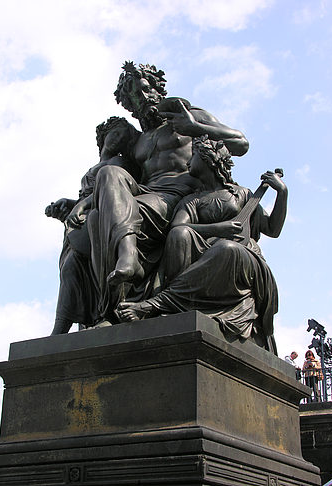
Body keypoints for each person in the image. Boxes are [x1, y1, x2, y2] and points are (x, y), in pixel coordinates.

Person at [82, 62, 249, 324]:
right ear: (129, 104)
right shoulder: (137, 140)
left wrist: (196, 128)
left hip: (180, 197)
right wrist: (79, 203)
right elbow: (114, 183)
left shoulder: (187, 116)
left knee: (105, 213)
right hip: (146, 194)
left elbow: (240, 143)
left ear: (159, 89)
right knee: (99, 202)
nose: (143, 97)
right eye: (135, 95)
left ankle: (127, 268)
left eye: (147, 89)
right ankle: (112, 305)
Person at [116, 135, 288, 353]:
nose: (188, 162)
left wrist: (282, 193)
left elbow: (273, 229)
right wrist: (219, 229)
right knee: (180, 234)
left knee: (227, 249)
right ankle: (180, 307)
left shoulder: (242, 194)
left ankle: (157, 303)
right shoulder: (192, 201)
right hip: (206, 259)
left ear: (209, 158)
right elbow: (177, 229)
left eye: (193, 156)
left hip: (243, 263)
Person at [45, 117, 141, 334]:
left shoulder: (120, 163)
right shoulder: (96, 166)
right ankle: (61, 325)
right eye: (115, 133)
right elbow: (86, 196)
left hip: (104, 218)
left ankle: (105, 312)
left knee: (93, 266)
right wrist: (68, 204)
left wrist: (79, 207)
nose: (118, 140)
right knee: (69, 269)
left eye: (123, 136)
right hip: (79, 225)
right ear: (103, 136)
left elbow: (113, 191)